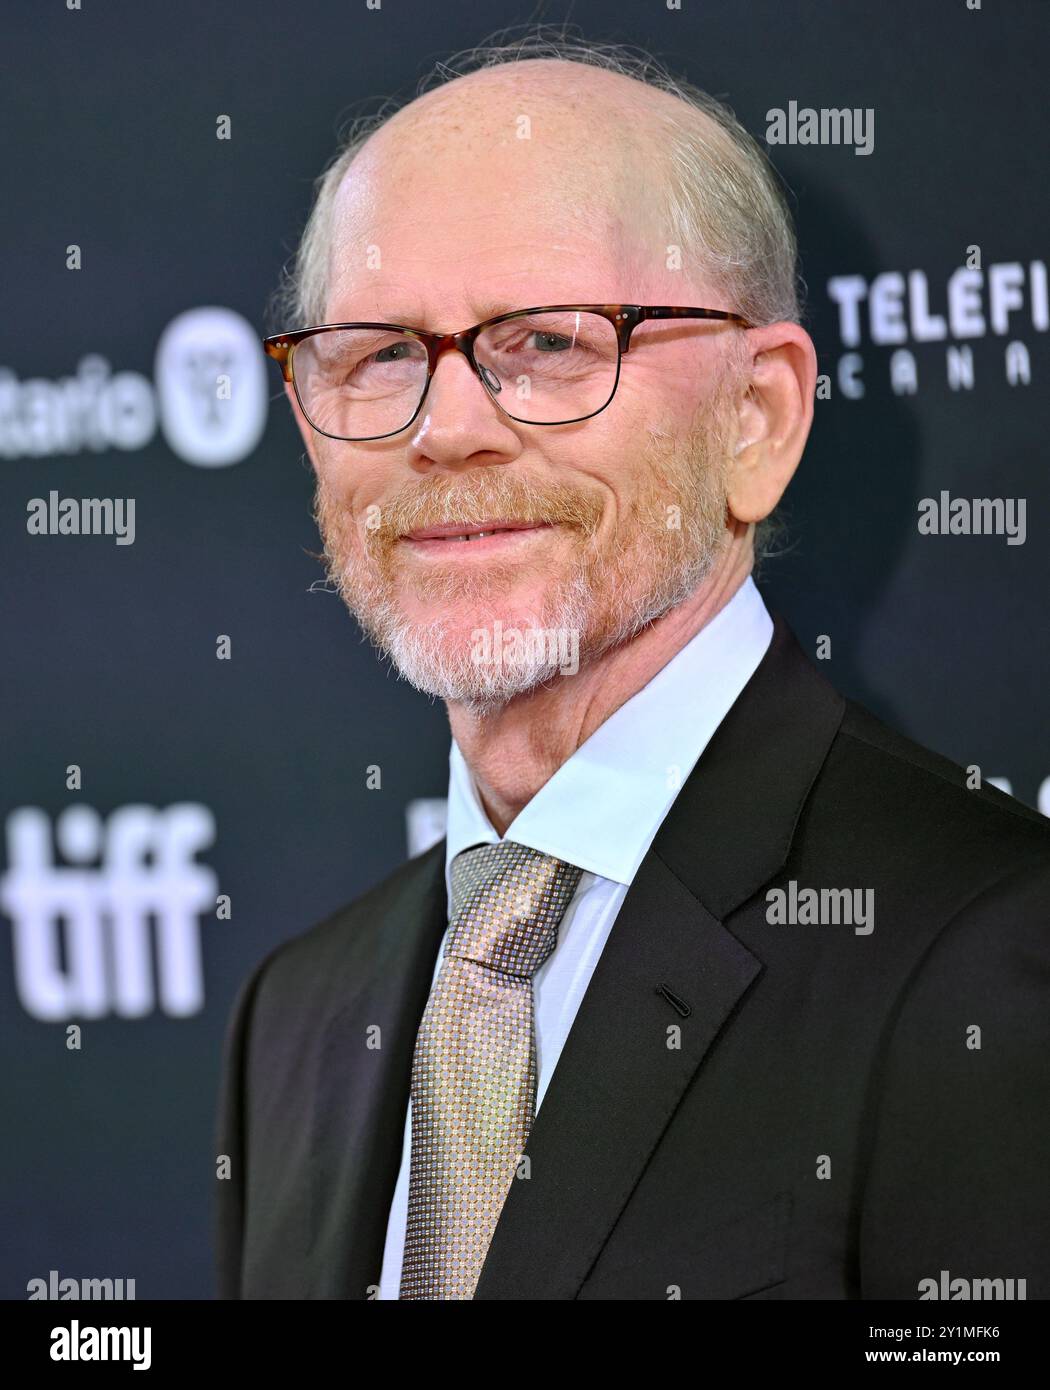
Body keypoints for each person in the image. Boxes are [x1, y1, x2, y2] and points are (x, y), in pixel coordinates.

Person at [215, 33, 1050, 1300]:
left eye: (548, 343)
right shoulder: (298, 1018)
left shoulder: (990, 952)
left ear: (755, 419)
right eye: (381, 352)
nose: (446, 431)